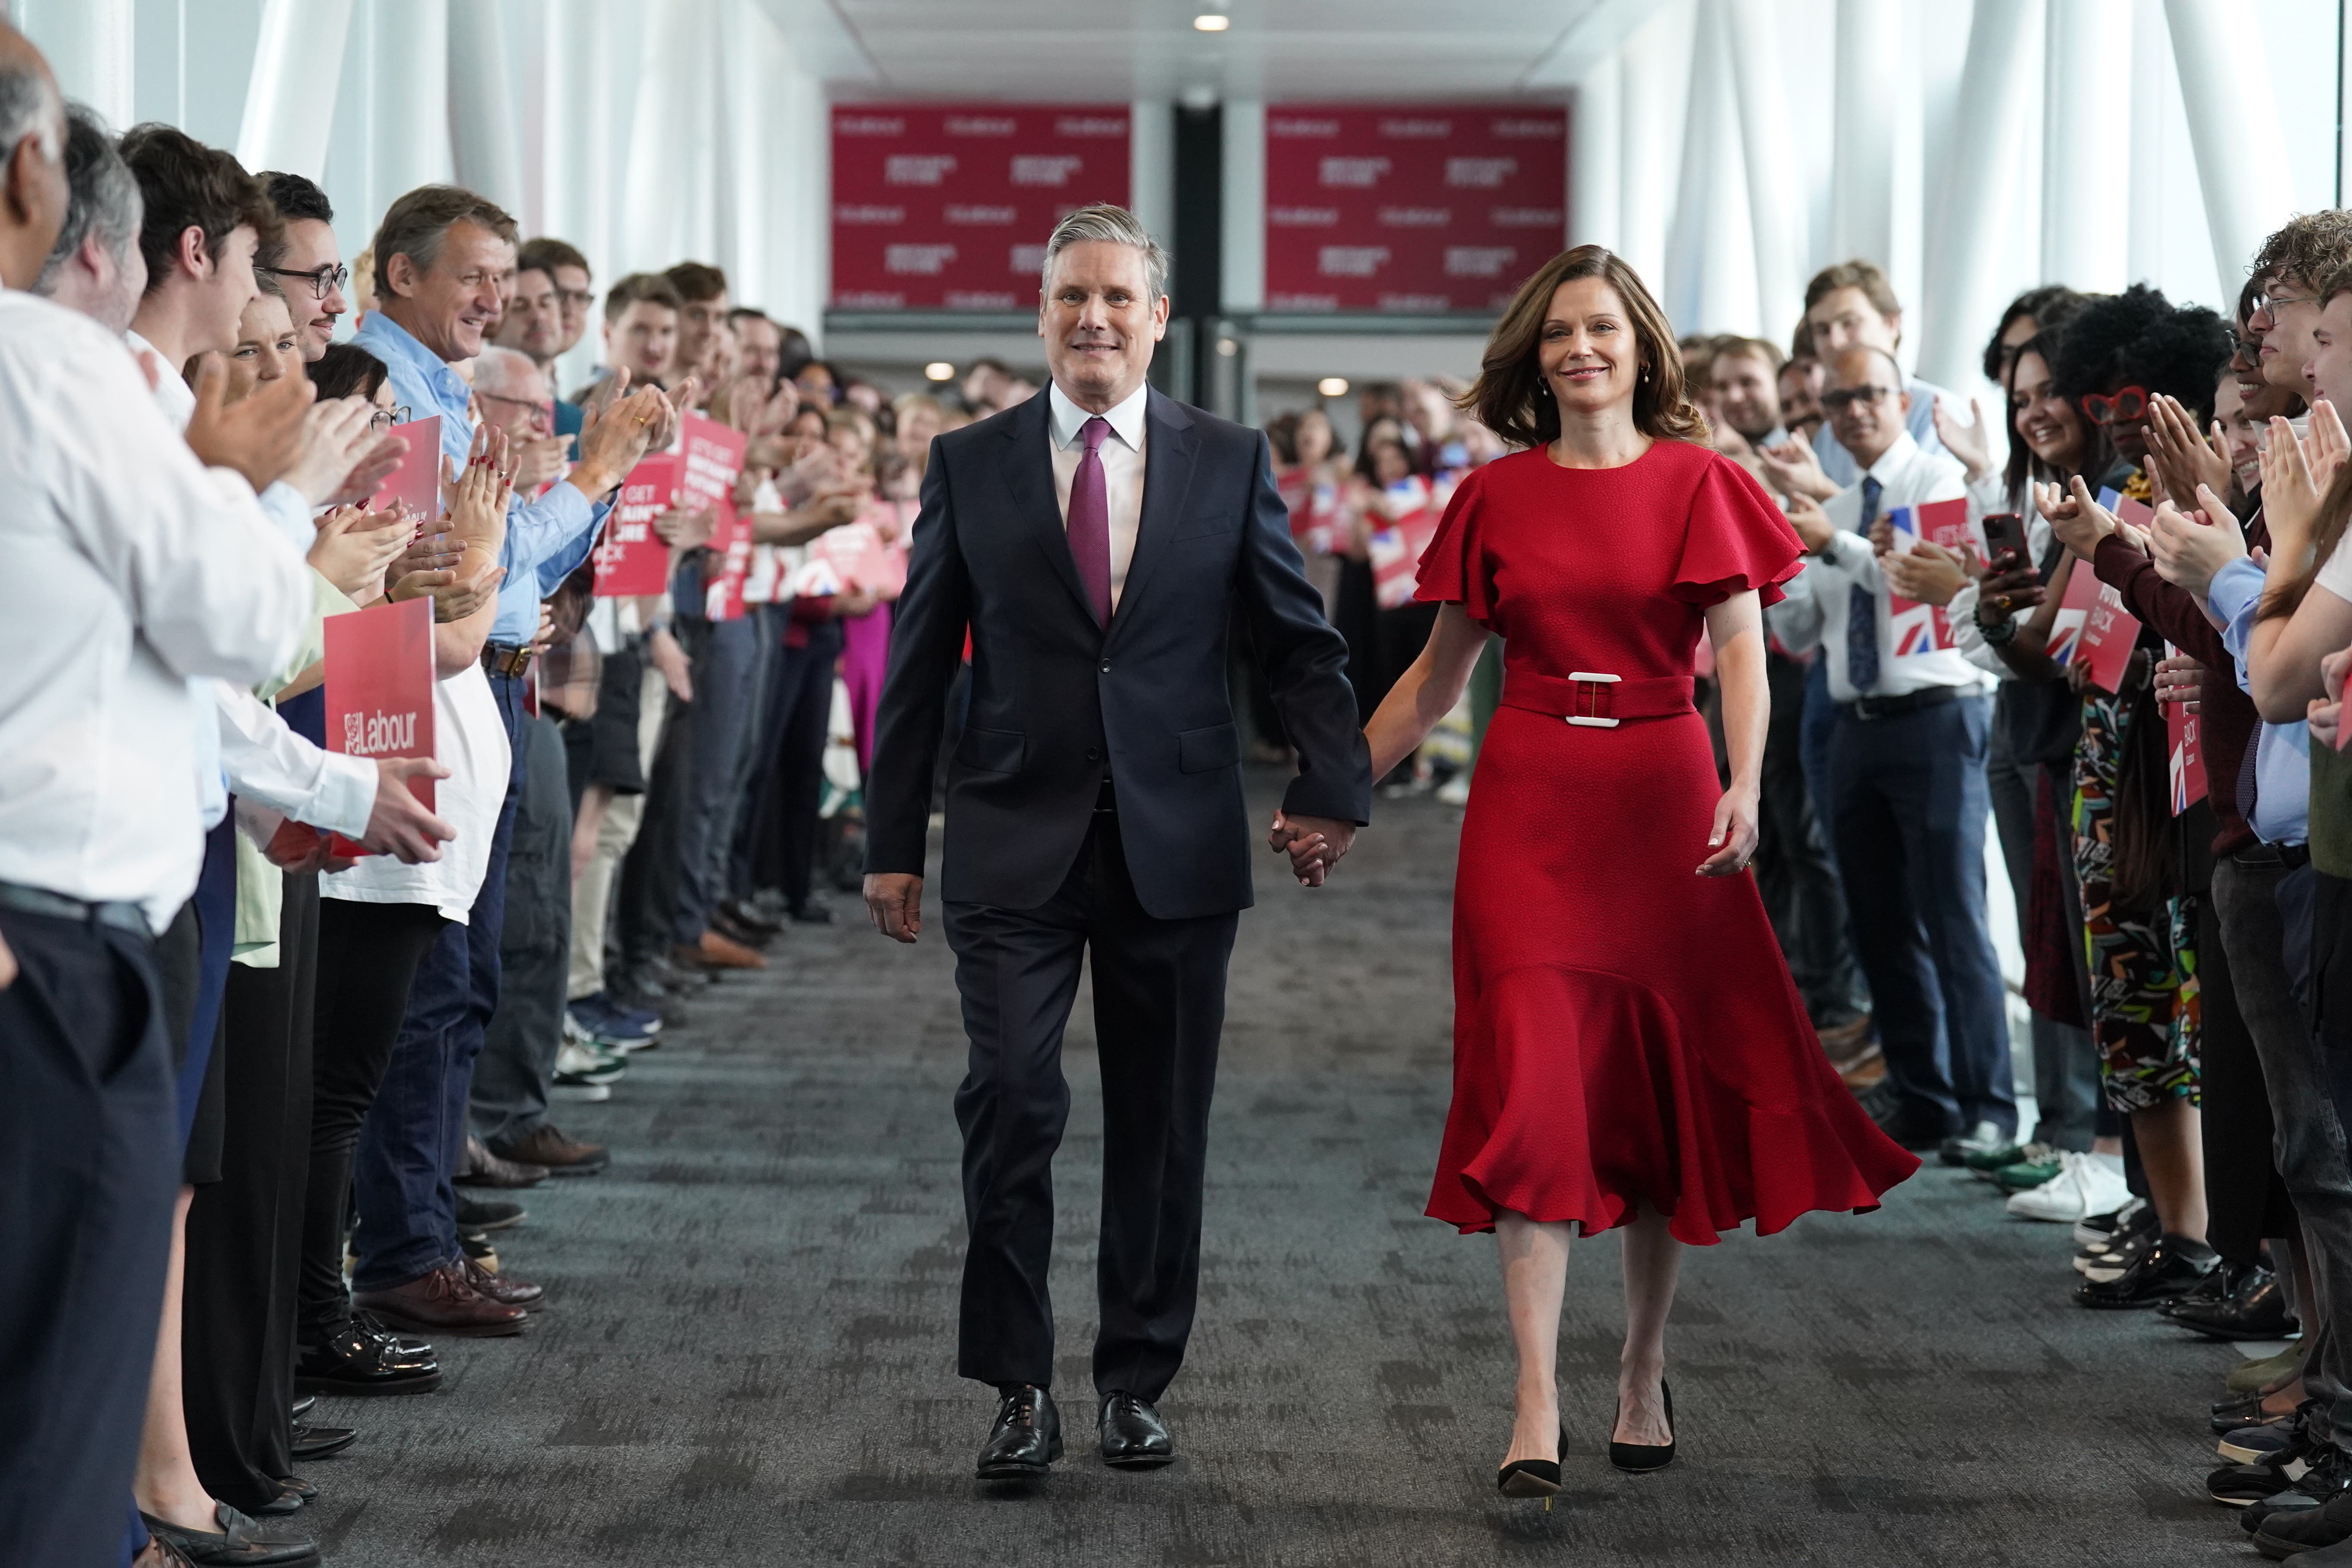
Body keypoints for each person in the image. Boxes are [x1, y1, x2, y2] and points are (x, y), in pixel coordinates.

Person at [1357, 243, 1916, 1502]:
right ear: (1533, 356)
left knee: (1653, 1096)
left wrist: (1746, 780)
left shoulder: (1701, 479)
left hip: (1665, 797)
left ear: (1641, 346)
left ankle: (1643, 1369)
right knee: (1538, 1078)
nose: (1580, 350)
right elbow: (1437, 680)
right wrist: (1339, 788)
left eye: (1602, 327)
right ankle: (1535, 1393)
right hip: (1529, 802)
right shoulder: (1496, 495)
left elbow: (1740, 651)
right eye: (1558, 333)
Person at [861, 203, 1370, 1480]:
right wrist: (891, 839)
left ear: (1155, 319)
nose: (1094, 317)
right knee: (1013, 1099)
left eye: (1117, 298)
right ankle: (1017, 1384)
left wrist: (1334, 780)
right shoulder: (968, 459)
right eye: (1069, 297)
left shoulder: (1229, 454)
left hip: (1177, 841)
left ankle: (1135, 1379)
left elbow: (1294, 639)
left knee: (1162, 1120)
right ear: (1041, 317)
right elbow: (918, 663)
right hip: (1009, 833)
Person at [0, 28, 326, 1565]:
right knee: (56, 1404)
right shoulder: (57, 369)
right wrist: (248, 482)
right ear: (30, 179)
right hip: (50, 948)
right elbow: (246, 625)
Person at [1770, 344, 2016, 1156]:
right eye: (1837, 399)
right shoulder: (1835, 505)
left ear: (1901, 396)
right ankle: (1923, 1095)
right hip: (1854, 725)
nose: (1853, 410)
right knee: (1875, 919)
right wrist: (1791, 560)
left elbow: (1920, 589)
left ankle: (1987, 1105)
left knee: (1954, 917)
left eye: (1870, 393)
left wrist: (1829, 539)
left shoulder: (1935, 479)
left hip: (1937, 715)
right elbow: (1801, 628)